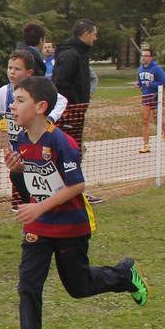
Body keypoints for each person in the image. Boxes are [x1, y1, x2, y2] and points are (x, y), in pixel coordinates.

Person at [2, 75, 148, 329]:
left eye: (20, 100)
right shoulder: (20, 139)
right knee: (28, 287)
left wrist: (40, 207)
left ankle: (125, 275)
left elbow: (77, 185)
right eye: (13, 100)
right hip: (37, 228)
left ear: (41, 107)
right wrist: (15, 172)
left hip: (70, 227)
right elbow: (28, 184)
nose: (13, 106)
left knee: (79, 287)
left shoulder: (60, 142)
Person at [0, 49, 68, 210]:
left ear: (29, 72)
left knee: (40, 173)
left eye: (17, 69)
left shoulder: (37, 89)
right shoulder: (4, 92)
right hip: (17, 146)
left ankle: (48, 204)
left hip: (38, 142)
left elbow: (61, 100)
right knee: (17, 175)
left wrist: (50, 118)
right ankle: (32, 205)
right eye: (10, 68)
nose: (12, 72)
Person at [52, 20, 99, 203]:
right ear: (86, 34)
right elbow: (60, 82)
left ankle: (73, 191)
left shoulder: (80, 54)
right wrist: (73, 102)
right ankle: (67, 192)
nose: (95, 38)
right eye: (94, 34)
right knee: (70, 152)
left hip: (78, 110)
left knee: (75, 150)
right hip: (69, 111)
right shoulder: (70, 54)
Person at [135, 47, 165, 154]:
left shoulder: (156, 69)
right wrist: (139, 85)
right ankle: (146, 145)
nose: (143, 58)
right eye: (142, 55)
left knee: (157, 119)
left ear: (151, 57)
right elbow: (141, 82)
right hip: (146, 96)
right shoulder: (140, 69)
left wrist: (152, 84)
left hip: (156, 96)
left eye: (146, 56)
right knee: (145, 120)